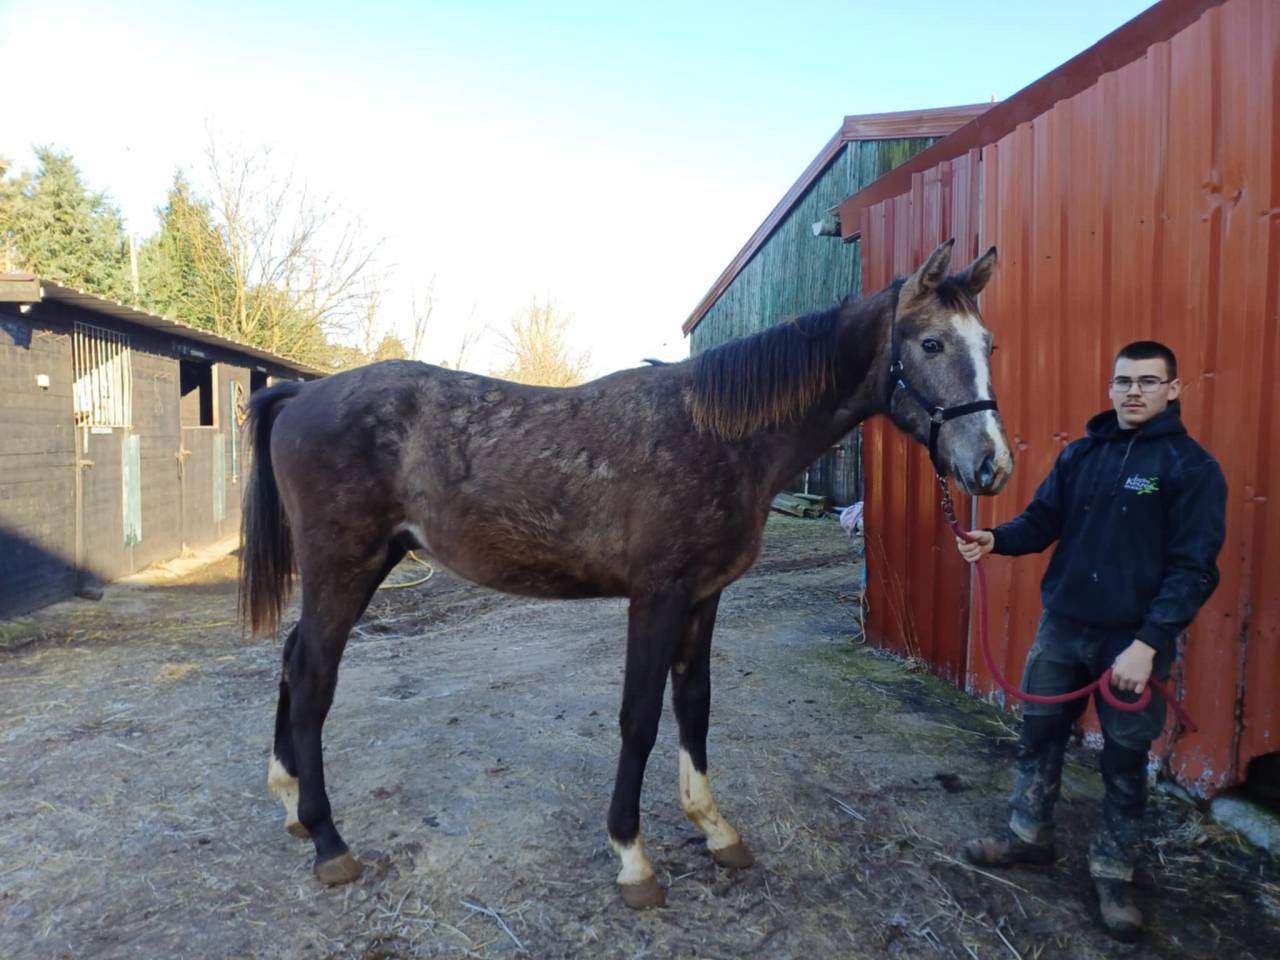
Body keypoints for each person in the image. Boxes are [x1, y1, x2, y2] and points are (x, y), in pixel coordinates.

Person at [955, 341, 1226, 942]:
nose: (1134, 391)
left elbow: (1194, 569)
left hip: (1133, 642)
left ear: (1173, 390)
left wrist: (1150, 643)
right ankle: (1029, 836)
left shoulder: (1191, 469)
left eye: (1148, 382)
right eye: (1124, 381)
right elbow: (1043, 521)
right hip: (1064, 628)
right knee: (1038, 733)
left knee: (1124, 758)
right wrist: (996, 539)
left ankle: (1113, 870)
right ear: (1110, 388)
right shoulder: (1081, 457)